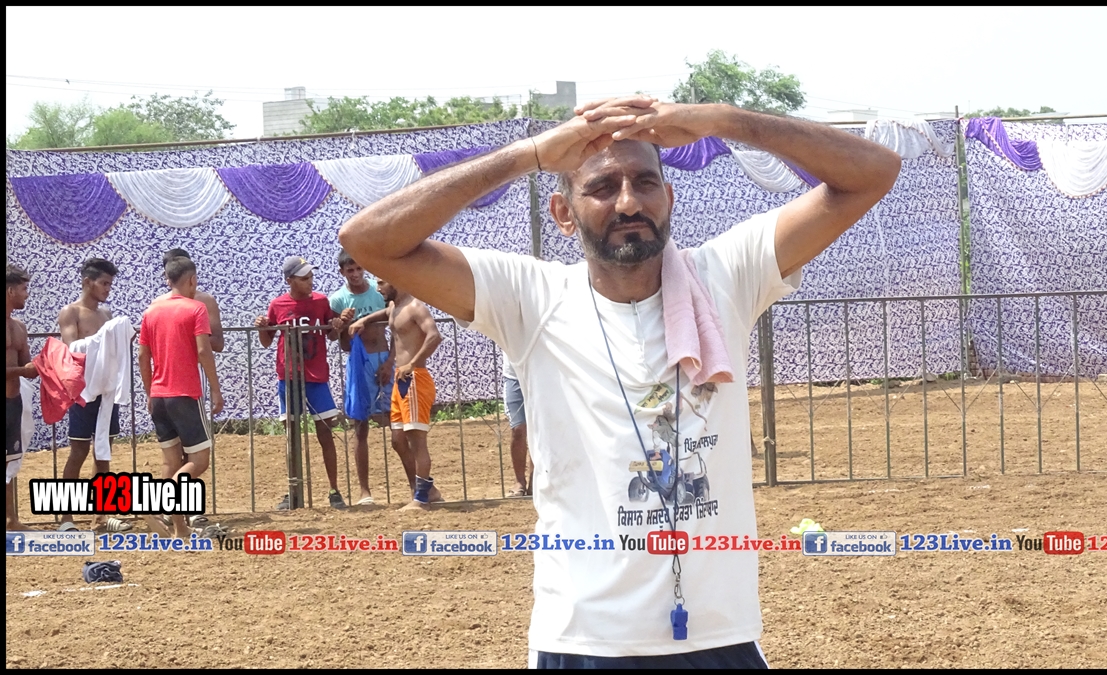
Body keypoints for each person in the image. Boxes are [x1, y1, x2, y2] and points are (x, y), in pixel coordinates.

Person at [340, 96, 900, 667]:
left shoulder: (726, 275)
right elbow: (368, 240)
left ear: (669, 197)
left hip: (718, 634)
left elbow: (873, 173)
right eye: (603, 187)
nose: (629, 202)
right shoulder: (531, 297)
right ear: (563, 213)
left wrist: (723, 121)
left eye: (644, 182)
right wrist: (530, 155)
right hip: (584, 639)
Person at [138, 256, 223, 538]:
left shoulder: (151, 311)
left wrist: (149, 391)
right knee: (199, 461)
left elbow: (142, 356)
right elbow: (203, 350)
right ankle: (165, 501)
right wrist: (215, 388)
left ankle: (178, 527)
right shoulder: (196, 308)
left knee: (171, 462)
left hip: (159, 395)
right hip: (185, 393)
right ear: (192, 280)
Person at [254, 256, 348, 511]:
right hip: (289, 377)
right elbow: (266, 341)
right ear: (290, 281)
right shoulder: (278, 305)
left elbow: (331, 334)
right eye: (304, 278)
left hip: (316, 376)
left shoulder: (321, 301)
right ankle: (293, 490)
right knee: (292, 436)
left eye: (310, 277)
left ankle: (334, 489)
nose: (310, 282)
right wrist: (263, 326)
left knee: (325, 433)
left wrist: (338, 325)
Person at [349, 278, 442, 509]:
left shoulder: (415, 307)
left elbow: (434, 336)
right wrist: (364, 320)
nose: (378, 288)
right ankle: (428, 490)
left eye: (382, 282)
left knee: (417, 441)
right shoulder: (394, 306)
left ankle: (421, 498)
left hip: (414, 378)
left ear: (395, 281)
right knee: (398, 440)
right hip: (401, 378)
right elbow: (385, 313)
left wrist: (413, 363)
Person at [56, 258, 123, 531]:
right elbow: (72, 347)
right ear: (88, 282)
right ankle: (66, 516)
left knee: (103, 451)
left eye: (110, 284)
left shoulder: (107, 315)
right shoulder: (70, 312)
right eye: (104, 283)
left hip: (106, 391)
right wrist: (105, 339)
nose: (108, 288)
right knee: (79, 450)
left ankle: (101, 515)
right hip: (83, 391)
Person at [329, 248, 389, 505]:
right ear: (342, 272)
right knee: (360, 425)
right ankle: (365, 491)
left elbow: (395, 319)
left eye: (358, 268)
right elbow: (337, 339)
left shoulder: (379, 291)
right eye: (350, 270)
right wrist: (340, 325)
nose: (355, 274)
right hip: (358, 362)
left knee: (398, 422)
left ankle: (417, 485)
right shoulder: (338, 300)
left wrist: (391, 362)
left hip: (384, 357)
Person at [6, 265, 37, 531]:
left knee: (10, 461)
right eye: (24, 288)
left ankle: (10, 520)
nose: (27, 294)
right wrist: (23, 371)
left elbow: (27, 365)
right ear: (10, 291)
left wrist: (48, 363)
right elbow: (21, 369)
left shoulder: (19, 327)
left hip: (13, 401)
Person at [502, 353, 532, 498]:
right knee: (518, 429)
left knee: (537, 429)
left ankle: (535, 479)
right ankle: (519, 481)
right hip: (513, 376)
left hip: (538, 375)